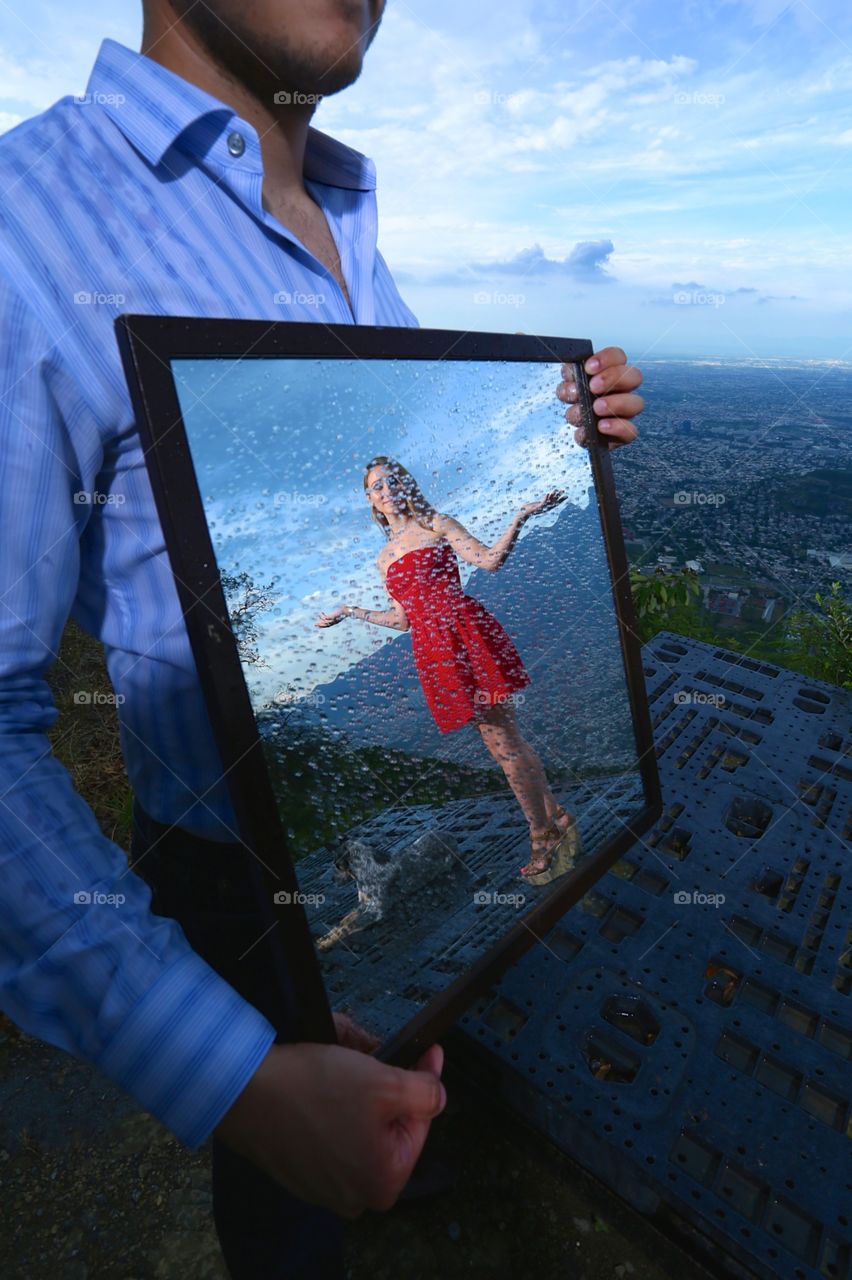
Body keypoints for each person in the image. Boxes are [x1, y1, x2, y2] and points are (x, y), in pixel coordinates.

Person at [0, 1, 645, 1276]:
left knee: (407, 1065)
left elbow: (468, 524)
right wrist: (228, 1075)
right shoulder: (24, 229)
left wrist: (570, 416)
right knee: (285, 1219)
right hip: (222, 868)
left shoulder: (353, 223)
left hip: (448, 647)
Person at [316, 457, 582, 881]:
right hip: (434, 650)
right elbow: (403, 619)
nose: (386, 490)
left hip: (465, 634)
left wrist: (520, 517)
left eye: (392, 481)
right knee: (503, 744)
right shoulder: (384, 558)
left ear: (405, 486)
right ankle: (556, 816)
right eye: (376, 487)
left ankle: (541, 835)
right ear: (370, 500)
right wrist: (351, 611)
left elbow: (491, 560)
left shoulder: (436, 523)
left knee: (505, 744)